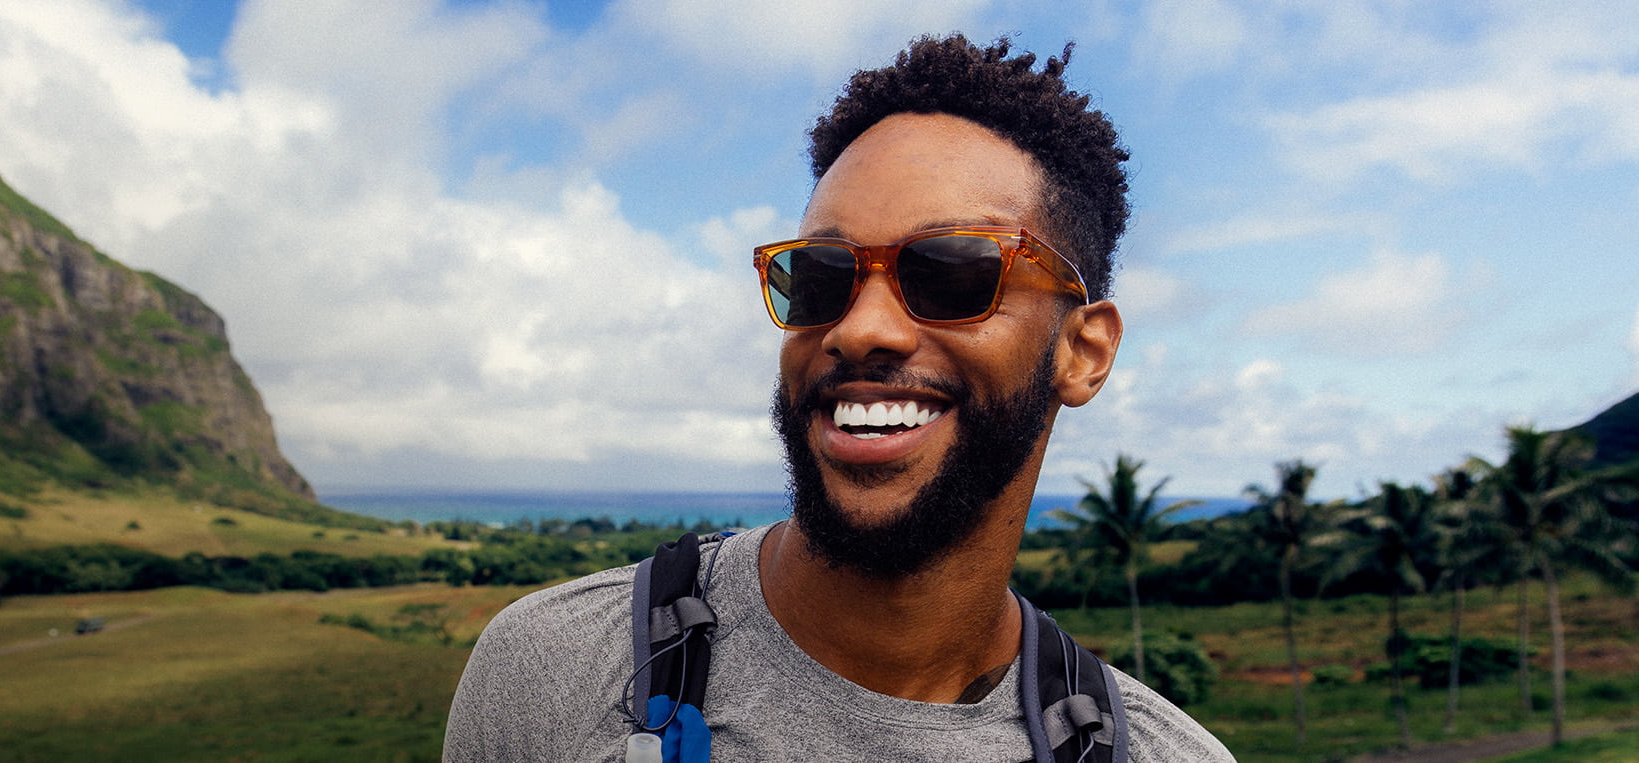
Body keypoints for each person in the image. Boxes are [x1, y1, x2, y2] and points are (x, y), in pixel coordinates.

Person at [444, 34, 1235, 761]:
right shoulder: (553, 670)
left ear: (1082, 351)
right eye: (821, 276)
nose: (861, 329)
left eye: (953, 271)